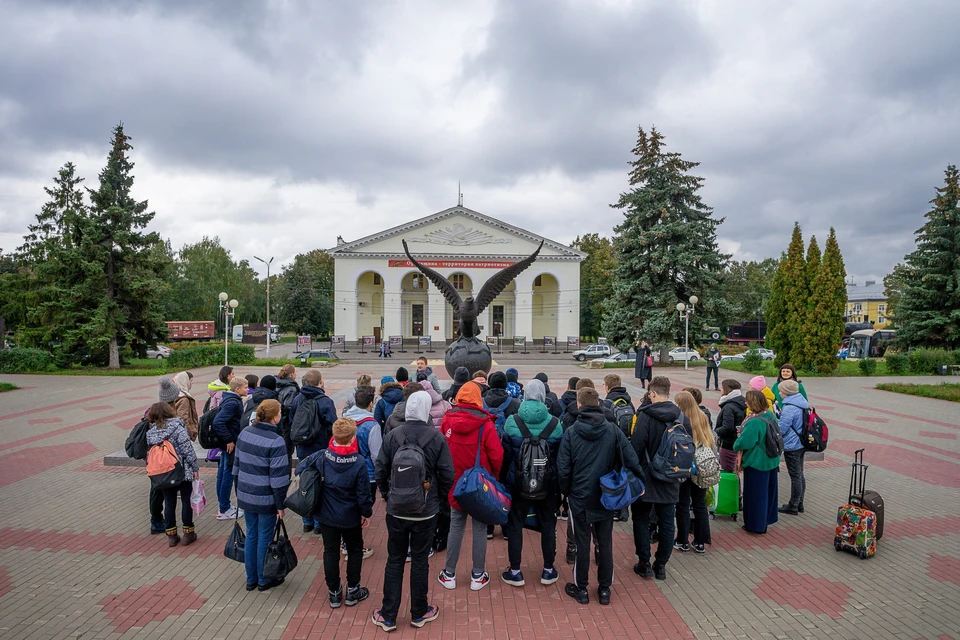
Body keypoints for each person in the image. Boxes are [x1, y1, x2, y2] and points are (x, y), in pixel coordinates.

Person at [372, 391, 454, 632]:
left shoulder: (393, 435)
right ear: (427, 409)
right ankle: (419, 612)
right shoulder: (436, 438)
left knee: (395, 559)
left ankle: (388, 615)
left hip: (396, 510)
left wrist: (387, 494)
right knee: (420, 560)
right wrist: (437, 499)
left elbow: (380, 468)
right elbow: (448, 474)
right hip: (426, 511)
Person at [558, 387, 643, 605]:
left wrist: (565, 492)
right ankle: (605, 589)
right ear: (598, 404)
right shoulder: (613, 431)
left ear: (579, 405)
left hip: (580, 497)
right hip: (608, 495)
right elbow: (632, 459)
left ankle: (581, 588)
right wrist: (639, 484)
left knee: (582, 542)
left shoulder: (571, 432)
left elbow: (563, 468)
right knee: (605, 542)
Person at [438, 382, 503, 591]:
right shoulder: (486, 424)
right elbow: (497, 454)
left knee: (456, 525)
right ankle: (478, 575)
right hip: (479, 484)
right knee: (480, 528)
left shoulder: (447, 421)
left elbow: (441, 451)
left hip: (455, 482)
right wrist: (493, 477)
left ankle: (449, 573)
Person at [303, 417, 374, 608]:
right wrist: (366, 513)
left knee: (331, 552)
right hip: (350, 517)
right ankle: (353, 590)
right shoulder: (358, 462)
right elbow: (363, 493)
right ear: (353, 439)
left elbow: (301, 469)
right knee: (355, 550)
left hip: (326, 516)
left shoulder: (322, 456)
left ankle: (334, 593)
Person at [500, 379, 562, 587]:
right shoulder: (555, 423)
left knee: (515, 524)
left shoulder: (512, 421)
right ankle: (548, 569)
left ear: (525, 396)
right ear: (544, 396)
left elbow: (505, 456)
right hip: (548, 484)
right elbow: (559, 458)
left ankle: (515, 571)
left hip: (518, 483)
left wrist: (504, 480)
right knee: (548, 524)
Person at [630, 376, 688, 582]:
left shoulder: (645, 415)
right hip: (671, 476)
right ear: (669, 393)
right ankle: (661, 564)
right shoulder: (681, 416)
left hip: (646, 476)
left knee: (640, 518)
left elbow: (636, 446)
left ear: (652, 393)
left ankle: (644, 563)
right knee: (666, 521)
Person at [233, 399, 290, 591]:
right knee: (265, 536)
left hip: (246, 493)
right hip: (265, 497)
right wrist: (280, 504)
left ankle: (251, 579)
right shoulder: (276, 441)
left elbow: (236, 466)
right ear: (275, 417)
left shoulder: (244, 433)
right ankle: (264, 579)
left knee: (251, 535)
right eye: (280, 412)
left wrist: (238, 492)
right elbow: (279, 478)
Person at [289, 369, 338, 533]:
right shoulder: (325, 401)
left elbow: (292, 421)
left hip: (302, 448)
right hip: (321, 449)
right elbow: (333, 425)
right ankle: (318, 524)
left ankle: (306, 521)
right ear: (321, 382)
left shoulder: (297, 399)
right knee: (320, 484)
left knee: (305, 482)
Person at [146, 402, 199, 547]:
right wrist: (195, 467)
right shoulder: (177, 427)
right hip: (181, 470)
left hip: (164, 472)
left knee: (169, 502)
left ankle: (172, 536)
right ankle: (188, 533)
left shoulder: (151, 432)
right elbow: (187, 449)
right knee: (186, 501)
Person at [734, 390, 781, 534]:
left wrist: (737, 442)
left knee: (756, 495)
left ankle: (756, 525)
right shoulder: (770, 414)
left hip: (757, 462)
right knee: (769, 493)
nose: (745, 403)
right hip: (772, 460)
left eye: (747, 401)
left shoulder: (754, 421)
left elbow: (745, 443)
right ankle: (766, 520)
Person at [673, 391, 714, 554]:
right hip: (702, 463)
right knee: (700, 504)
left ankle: (682, 540)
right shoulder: (702, 416)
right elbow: (710, 438)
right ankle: (700, 542)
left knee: (682, 504)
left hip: (686, 464)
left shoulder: (680, 419)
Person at [213, 376, 248, 520]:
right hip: (229, 444)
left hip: (226, 443)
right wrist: (229, 440)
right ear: (237, 389)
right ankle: (224, 508)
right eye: (245, 387)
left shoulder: (229, 399)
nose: (247, 389)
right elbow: (218, 422)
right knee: (227, 475)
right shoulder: (233, 403)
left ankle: (223, 505)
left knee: (222, 474)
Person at [777, 379, 809, 515]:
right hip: (801, 443)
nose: (779, 392)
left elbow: (782, 429)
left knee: (795, 475)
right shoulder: (801, 403)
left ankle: (793, 505)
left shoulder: (790, 407)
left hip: (792, 445)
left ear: (786, 392)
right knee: (799, 474)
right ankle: (799, 502)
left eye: (781, 390)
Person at [715, 379, 746, 472]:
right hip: (736, 441)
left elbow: (727, 427)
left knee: (728, 469)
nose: (721, 390)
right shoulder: (741, 402)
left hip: (728, 443)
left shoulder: (729, 406)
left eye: (722, 387)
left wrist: (714, 432)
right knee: (734, 469)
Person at [276, 365, 301, 464]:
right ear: (291, 374)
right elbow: (288, 406)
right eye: (295, 372)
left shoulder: (277, 383)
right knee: (287, 451)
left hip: (276, 420)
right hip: (286, 424)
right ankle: (286, 477)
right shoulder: (291, 388)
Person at [169, 371, 198, 440]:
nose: (192, 383)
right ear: (185, 381)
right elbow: (183, 419)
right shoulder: (184, 400)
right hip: (182, 435)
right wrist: (191, 434)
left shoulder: (173, 395)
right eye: (190, 381)